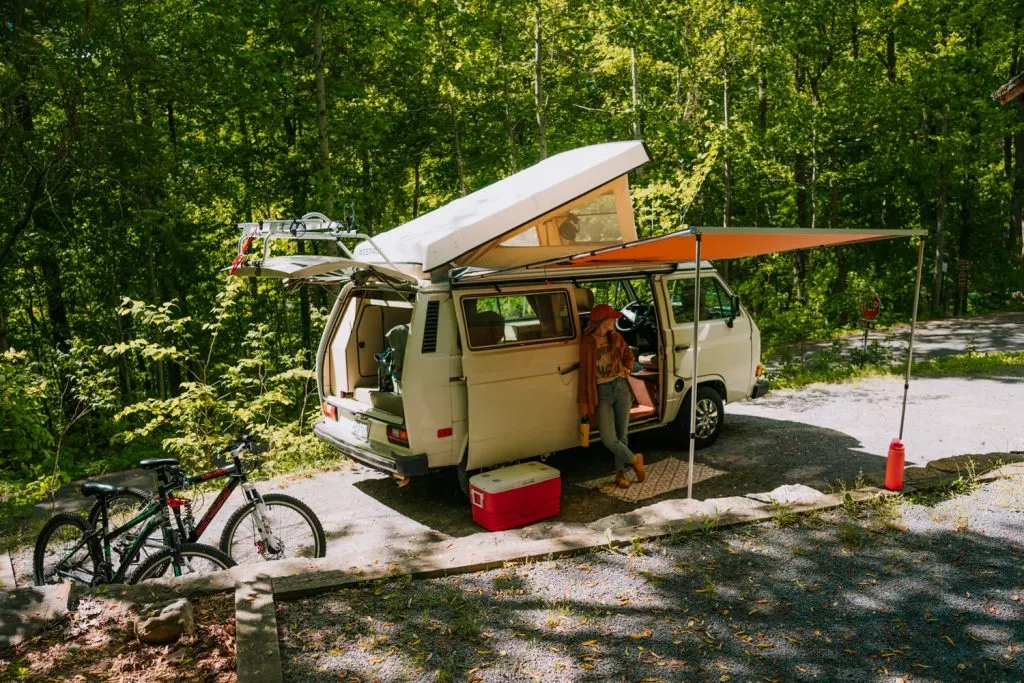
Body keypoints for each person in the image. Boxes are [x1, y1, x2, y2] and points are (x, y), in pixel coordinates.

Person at [578, 303, 647, 489]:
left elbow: (629, 356)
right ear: (603, 321)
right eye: (611, 318)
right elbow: (584, 374)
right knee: (609, 438)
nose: (614, 321)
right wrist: (583, 401)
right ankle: (635, 459)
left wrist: (626, 369)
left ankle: (620, 473)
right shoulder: (587, 342)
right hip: (602, 391)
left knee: (622, 435)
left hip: (621, 387)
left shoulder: (616, 337)